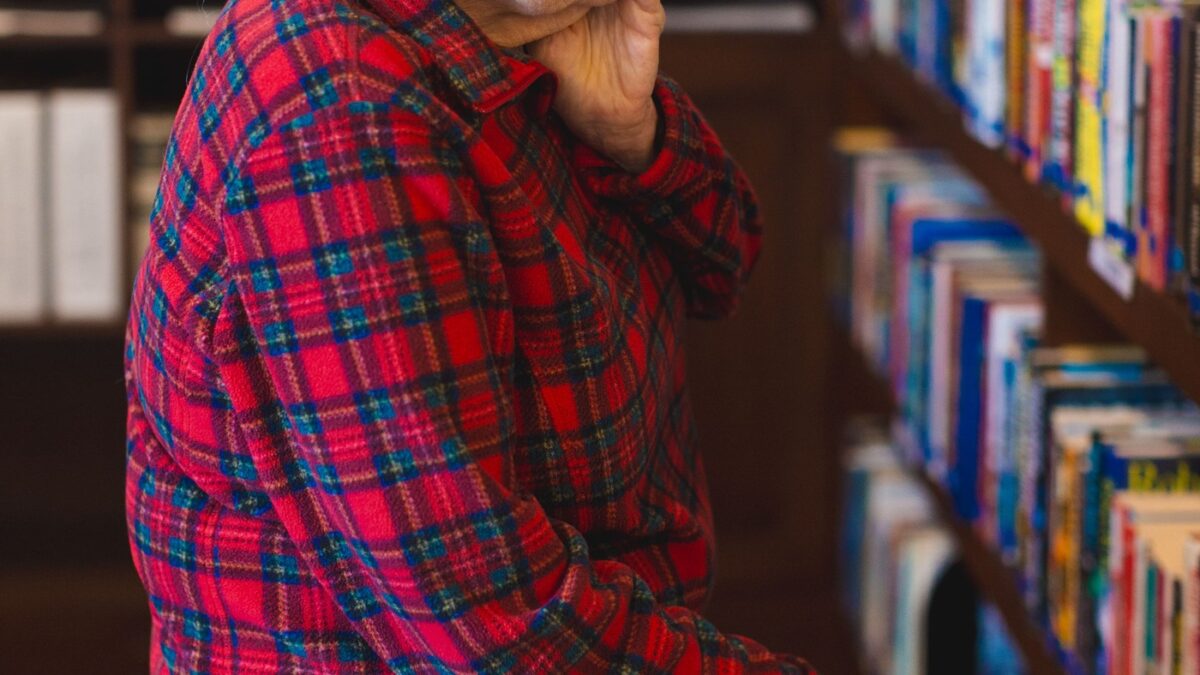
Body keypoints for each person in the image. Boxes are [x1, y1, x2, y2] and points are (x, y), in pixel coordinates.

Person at [124, 0, 814, 671]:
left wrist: (636, 133)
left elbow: (727, 260)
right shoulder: (336, 99)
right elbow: (490, 631)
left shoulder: (516, 30)